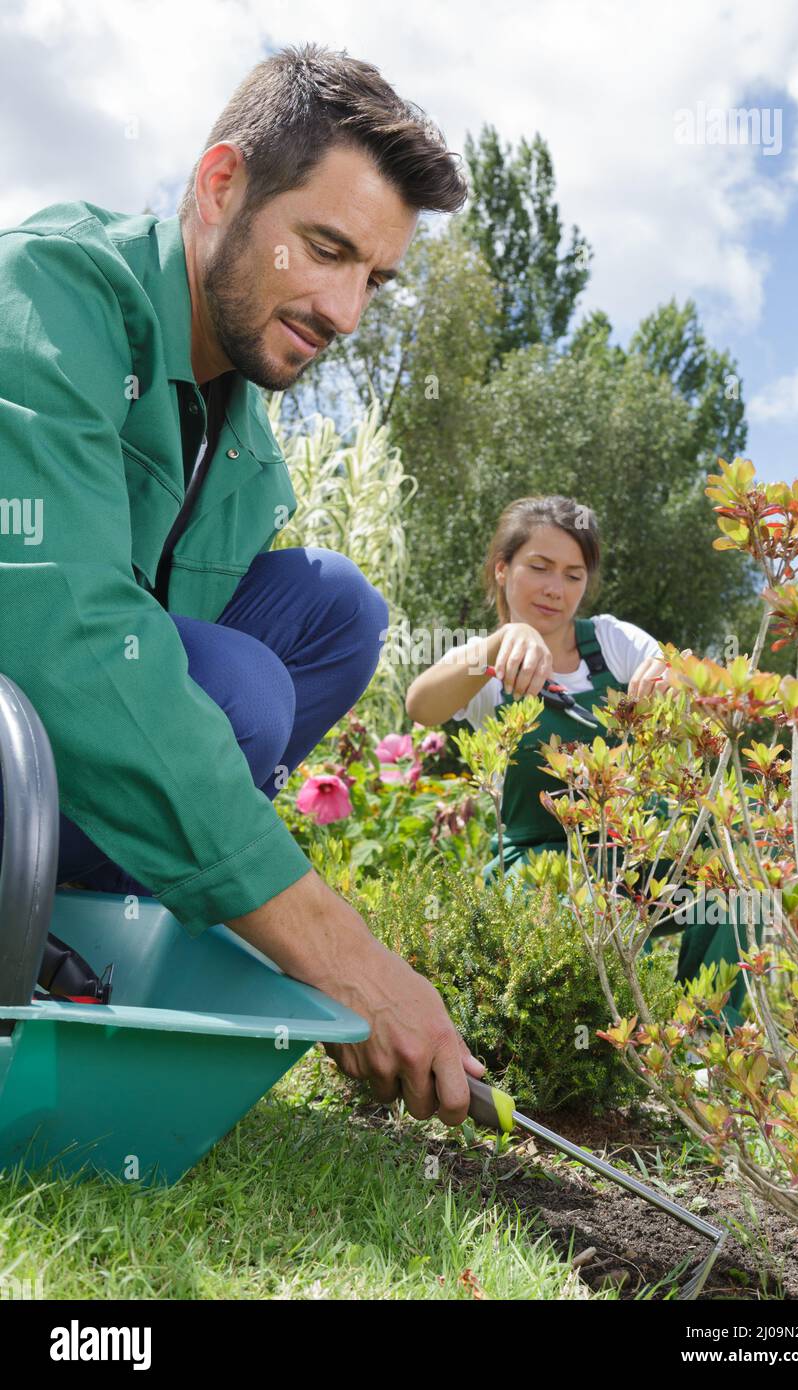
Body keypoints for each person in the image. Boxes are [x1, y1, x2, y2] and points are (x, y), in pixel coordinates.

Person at [0, 43, 486, 1125]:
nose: (347, 310)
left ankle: (94, 919)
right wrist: (338, 953)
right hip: (13, 726)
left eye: (373, 277)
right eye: (324, 249)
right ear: (222, 185)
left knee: (334, 607)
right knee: (237, 688)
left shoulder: (250, 446)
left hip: (62, 767)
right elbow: (66, 638)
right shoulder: (46, 294)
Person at [405, 495, 761, 1028]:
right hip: (538, 867)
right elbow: (421, 704)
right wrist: (502, 642)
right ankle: (608, 1056)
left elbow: (686, 677)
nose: (556, 589)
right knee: (598, 918)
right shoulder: (481, 664)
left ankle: (706, 1047)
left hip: (630, 854)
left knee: (733, 882)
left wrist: (677, 677)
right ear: (503, 569)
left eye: (573, 576)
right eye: (540, 568)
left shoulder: (610, 642)